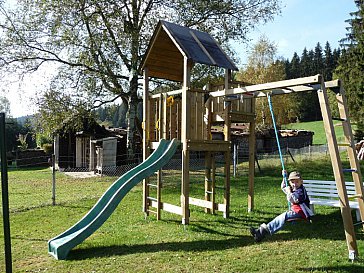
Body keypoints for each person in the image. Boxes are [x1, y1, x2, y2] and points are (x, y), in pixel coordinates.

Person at [250, 170, 314, 242]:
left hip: (302, 212)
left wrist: (289, 191)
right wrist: (284, 177)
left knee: (282, 217)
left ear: (301, 182)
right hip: (296, 210)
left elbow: (293, 199)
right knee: (281, 217)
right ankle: (260, 232)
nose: (294, 184)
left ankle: (262, 232)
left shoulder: (301, 191)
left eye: (297, 182)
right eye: (292, 182)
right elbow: (284, 188)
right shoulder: (294, 188)